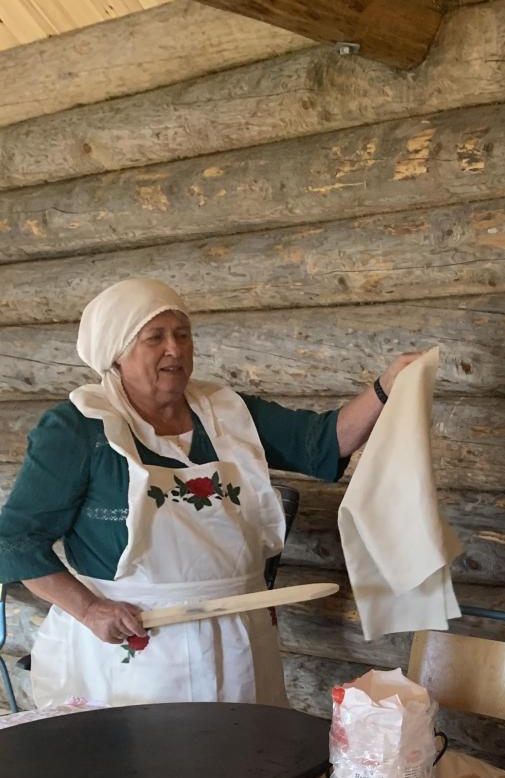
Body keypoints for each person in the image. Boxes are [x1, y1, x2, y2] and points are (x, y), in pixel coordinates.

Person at [0, 277, 419, 708]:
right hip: (139, 643)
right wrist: (89, 610)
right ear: (116, 353)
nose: (175, 350)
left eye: (183, 335)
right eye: (155, 338)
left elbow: (325, 441)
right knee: (148, 768)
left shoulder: (228, 413)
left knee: (242, 764)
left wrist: (387, 386)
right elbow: (14, 540)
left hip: (237, 639)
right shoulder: (78, 429)